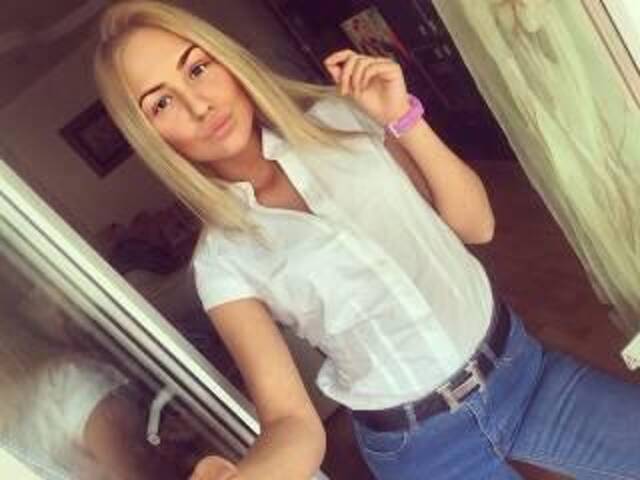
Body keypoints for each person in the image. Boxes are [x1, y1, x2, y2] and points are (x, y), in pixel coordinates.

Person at [94, 2, 640, 479]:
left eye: (197, 68)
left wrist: (403, 117)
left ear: (227, 62)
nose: (199, 105)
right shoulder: (222, 261)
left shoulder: (346, 119)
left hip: (522, 370)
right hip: (421, 448)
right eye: (161, 103)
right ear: (151, 136)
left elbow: (476, 225)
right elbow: (292, 421)